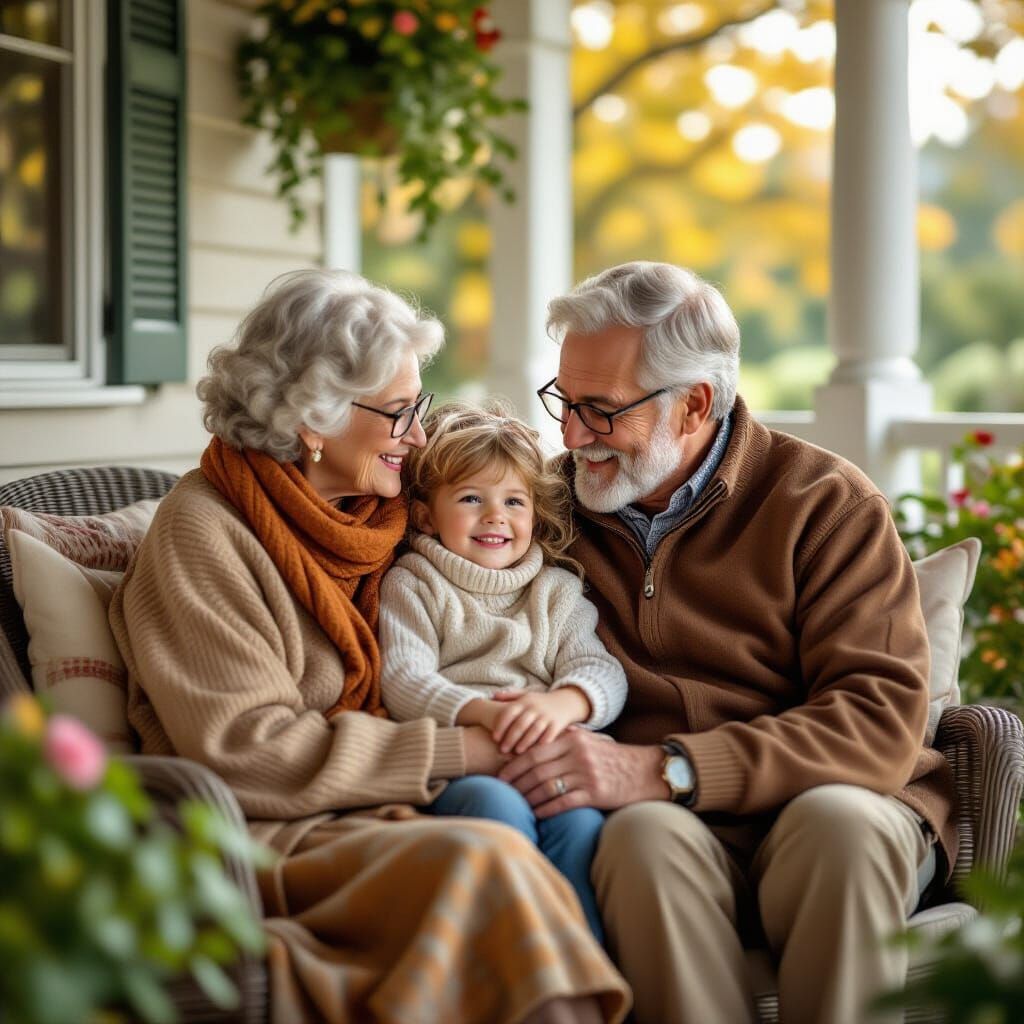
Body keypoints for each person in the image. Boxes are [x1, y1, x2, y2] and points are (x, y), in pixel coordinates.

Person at [108, 270, 629, 1024]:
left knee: (542, 837)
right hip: (274, 830)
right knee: (486, 856)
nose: (418, 436)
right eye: (398, 412)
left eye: (417, 408)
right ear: (310, 421)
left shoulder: (370, 521)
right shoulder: (204, 533)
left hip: (380, 797)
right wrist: (479, 751)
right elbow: (245, 751)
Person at [497, 261, 955, 1024]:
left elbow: (879, 723)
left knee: (837, 829)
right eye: (564, 402)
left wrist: (669, 767)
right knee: (640, 839)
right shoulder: (545, 507)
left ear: (695, 405)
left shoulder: (825, 504)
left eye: (601, 410)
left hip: (832, 805)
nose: (572, 435)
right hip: (667, 827)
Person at [379, 401, 628, 942]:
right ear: (426, 515)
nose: (495, 516)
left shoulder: (556, 590)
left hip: (547, 758)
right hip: (461, 767)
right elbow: (402, 678)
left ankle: (582, 963)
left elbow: (600, 670)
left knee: (582, 824)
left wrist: (564, 704)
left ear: (534, 514)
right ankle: (514, 963)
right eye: (471, 499)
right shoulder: (415, 583)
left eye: (513, 501)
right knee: (496, 809)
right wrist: (483, 715)